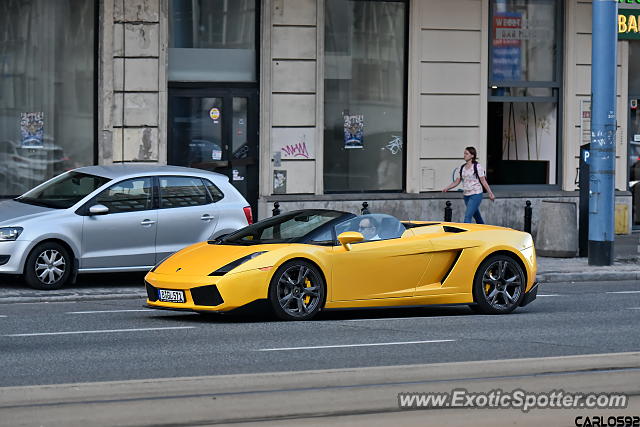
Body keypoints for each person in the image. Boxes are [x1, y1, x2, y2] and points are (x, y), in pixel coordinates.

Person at [442, 146, 495, 224]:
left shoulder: (477, 167)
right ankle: (483, 230)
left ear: (472, 156)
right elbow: (457, 181)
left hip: (476, 194)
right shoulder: (462, 167)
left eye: (466, 153)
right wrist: (447, 188)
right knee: (476, 215)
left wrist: (490, 193)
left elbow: (483, 181)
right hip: (466, 195)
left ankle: (466, 235)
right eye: (464, 153)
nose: (464, 155)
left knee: (468, 216)